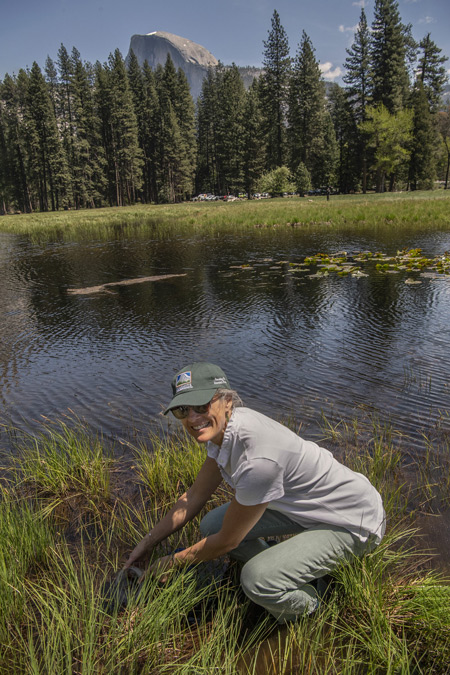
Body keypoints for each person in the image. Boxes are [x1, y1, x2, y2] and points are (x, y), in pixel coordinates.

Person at [124, 362, 385, 623]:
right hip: (306, 506)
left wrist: (171, 562)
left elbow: (228, 541)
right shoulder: (224, 431)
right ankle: (280, 565)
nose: (192, 418)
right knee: (210, 525)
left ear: (226, 401)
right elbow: (193, 497)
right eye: (183, 410)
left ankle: (313, 604)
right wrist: (147, 544)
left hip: (353, 521)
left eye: (202, 406)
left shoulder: (257, 459)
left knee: (256, 580)